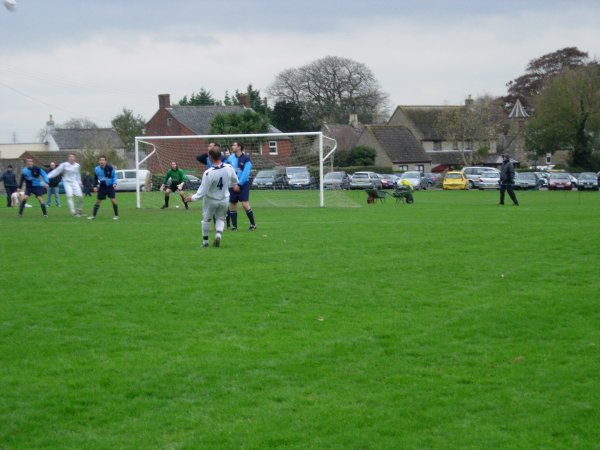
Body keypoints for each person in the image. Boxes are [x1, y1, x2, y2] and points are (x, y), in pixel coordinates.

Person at [185, 147, 239, 248]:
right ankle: (218, 235)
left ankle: (205, 242)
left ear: (210, 157)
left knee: (206, 220)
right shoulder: (229, 168)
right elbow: (235, 180)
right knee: (220, 219)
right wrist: (230, 185)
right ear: (220, 156)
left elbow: (202, 192)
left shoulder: (208, 173)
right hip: (224, 199)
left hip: (211, 201)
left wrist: (192, 198)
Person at [228, 142, 256, 231]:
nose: (232, 146)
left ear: (239, 147)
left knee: (245, 204)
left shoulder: (246, 159)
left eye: (234, 145)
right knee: (233, 204)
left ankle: (253, 224)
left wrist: (239, 184)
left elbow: (246, 173)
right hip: (232, 184)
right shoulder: (230, 158)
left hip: (243, 184)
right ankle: (234, 226)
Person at [88, 155, 119, 220]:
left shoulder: (110, 168)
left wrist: (114, 183)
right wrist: (95, 186)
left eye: (103, 160)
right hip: (102, 187)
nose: (101, 161)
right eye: (100, 160)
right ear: (99, 161)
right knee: (98, 201)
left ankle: (116, 215)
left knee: (113, 200)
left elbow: (114, 176)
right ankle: (93, 216)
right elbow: (96, 178)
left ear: (105, 161)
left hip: (110, 186)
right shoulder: (97, 169)